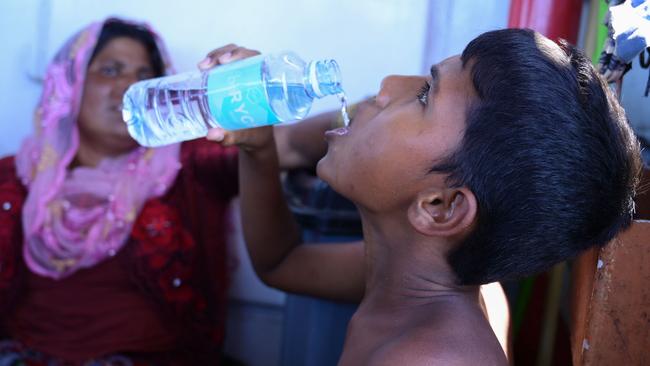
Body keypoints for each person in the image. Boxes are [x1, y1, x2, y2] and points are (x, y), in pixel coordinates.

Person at [205, 28, 642, 365]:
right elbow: (281, 263)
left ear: (441, 206)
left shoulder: (433, 357)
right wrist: (258, 145)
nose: (386, 85)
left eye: (424, 95)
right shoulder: (426, 277)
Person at [0, 18, 327, 365]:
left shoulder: (189, 163)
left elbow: (290, 144)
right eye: (110, 70)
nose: (127, 86)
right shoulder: (15, 176)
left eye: (143, 76)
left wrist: (359, 115)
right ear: (69, 84)